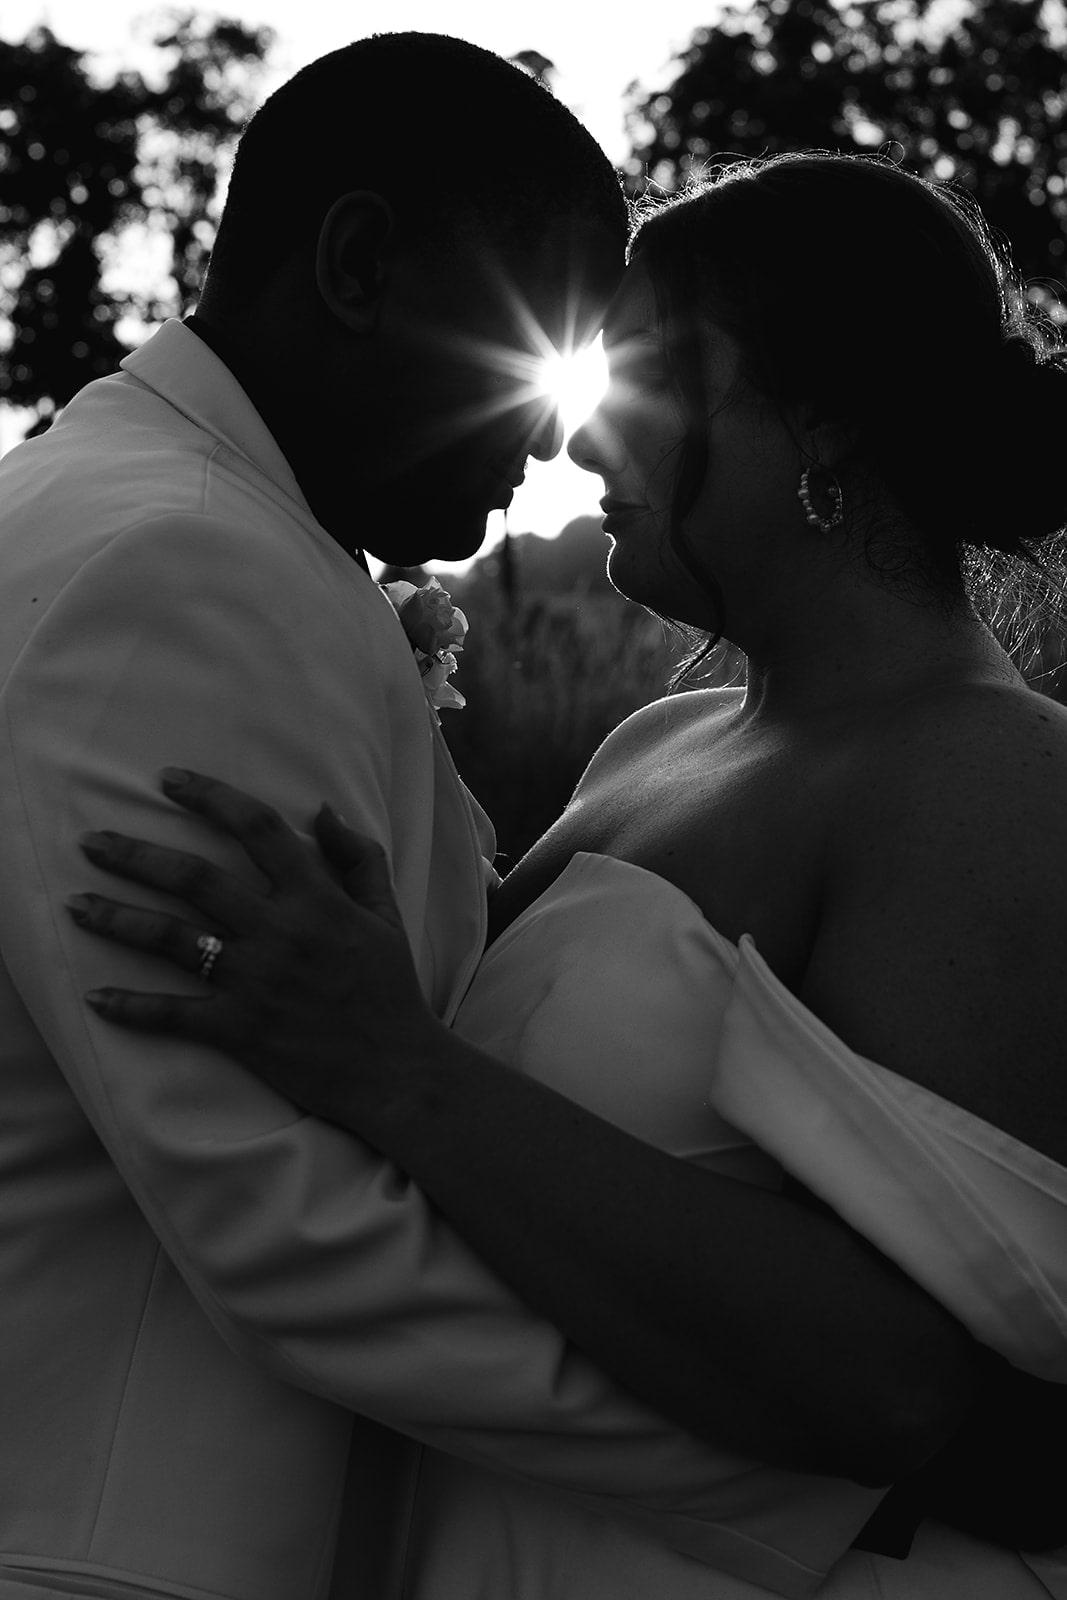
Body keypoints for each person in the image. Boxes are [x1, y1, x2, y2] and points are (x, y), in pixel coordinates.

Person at [67, 154, 1067, 1598]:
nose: (580, 433)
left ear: (827, 421)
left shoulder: (994, 782)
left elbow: (902, 1386)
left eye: (651, 374)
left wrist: (402, 1073)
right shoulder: (657, 741)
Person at [0, 31, 790, 1600]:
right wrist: (807, 1464)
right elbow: (290, 1229)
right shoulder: (175, 571)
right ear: (359, 260)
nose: (559, 433)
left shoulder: (141, 511)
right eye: (533, 344)